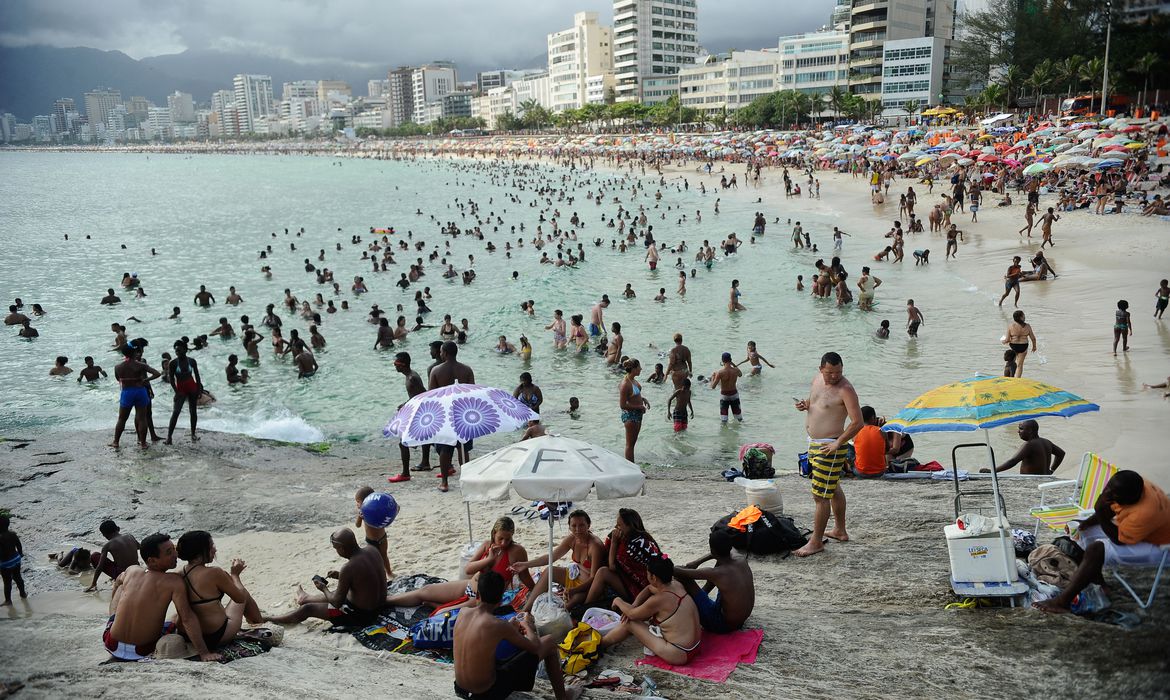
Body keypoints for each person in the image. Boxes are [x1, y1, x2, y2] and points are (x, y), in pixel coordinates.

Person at [1035, 470, 1170, 613]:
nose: (1108, 495)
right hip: (1143, 531)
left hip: (1159, 547)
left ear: (1129, 499)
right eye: (1107, 489)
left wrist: (1099, 512)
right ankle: (1099, 583)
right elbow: (1110, 507)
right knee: (1082, 530)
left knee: (1096, 550)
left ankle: (1062, 602)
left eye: (1113, 495)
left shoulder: (1143, 512)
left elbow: (1118, 540)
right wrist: (1085, 523)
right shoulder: (1133, 486)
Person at [452, 570, 583, 700]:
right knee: (549, 642)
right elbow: (535, 647)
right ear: (501, 599)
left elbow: (484, 636)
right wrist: (527, 625)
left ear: (478, 595)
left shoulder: (463, 613)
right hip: (484, 695)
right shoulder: (498, 625)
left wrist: (510, 627)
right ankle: (563, 697)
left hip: (460, 688)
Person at [102, 533, 220, 661]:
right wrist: (204, 653)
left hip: (111, 644)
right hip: (142, 650)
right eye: (169, 552)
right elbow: (187, 618)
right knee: (177, 617)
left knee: (121, 586)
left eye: (174, 549)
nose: (175, 555)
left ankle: (114, 619)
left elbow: (117, 582)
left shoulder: (132, 570)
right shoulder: (173, 581)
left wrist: (114, 615)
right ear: (152, 560)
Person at [793, 352, 864, 557]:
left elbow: (857, 421)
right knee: (831, 487)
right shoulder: (816, 380)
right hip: (814, 443)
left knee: (820, 495)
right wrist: (805, 405)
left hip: (830, 446)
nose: (834, 376)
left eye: (839, 372)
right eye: (830, 372)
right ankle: (840, 530)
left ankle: (816, 542)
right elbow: (815, 402)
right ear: (820, 369)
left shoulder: (846, 389)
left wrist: (838, 443)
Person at [386, 517, 535, 611]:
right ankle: (384, 601)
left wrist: (536, 591)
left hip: (483, 600)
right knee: (426, 589)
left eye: (508, 539)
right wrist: (489, 559)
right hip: (469, 586)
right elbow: (469, 569)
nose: (504, 543)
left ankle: (440, 606)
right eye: (500, 538)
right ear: (494, 533)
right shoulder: (486, 545)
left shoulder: (517, 551)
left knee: (445, 612)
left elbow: (526, 577)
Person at [264, 529, 387, 626]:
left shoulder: (348, 567)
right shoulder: (372, 550)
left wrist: (323, 588)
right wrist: (340, 576)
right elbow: (365, 577)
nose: (336, 551)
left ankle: (271, 619)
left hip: (361, 615)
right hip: (379, 606)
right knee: (340, 591)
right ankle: (306, 597)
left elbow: (337, 602)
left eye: (336, 548)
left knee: (308, 609)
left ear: (342, 548)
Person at [599, 556, 701, 666]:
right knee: (633, 617)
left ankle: (600, 645)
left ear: (653, 577)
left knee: (629, 623)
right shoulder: (677, 585)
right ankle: (602, 642)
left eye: (648, 573)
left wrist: (618, 600)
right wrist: (634, 605)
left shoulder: (659, 600)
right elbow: (649, 588)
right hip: (695, 646)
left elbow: (632, 615)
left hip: (678, 653)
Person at [175, 531, 264, 650]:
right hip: (215, 636)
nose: (215, 550)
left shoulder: (178, 575)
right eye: (211, 546)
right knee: (243, 592)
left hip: (186, 635)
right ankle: (259, 624)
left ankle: (258, 621)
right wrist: (235, 575)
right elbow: (239, 598)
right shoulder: (214, 573)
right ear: (201, 551)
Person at [511, 510, 605, 613]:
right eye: (574, 526)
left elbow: (594, 578)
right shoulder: (572, 539)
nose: (578, 529)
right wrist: (525, 565)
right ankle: (525, 610)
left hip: (587, 587)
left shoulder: (595, 546)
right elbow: (551, 557)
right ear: (569, 527)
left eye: (582, 525)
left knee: (567, 607)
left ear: (589, 525)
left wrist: (574, 590)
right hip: (573, 578)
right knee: (549, 570)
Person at [673, 528, 755, 632]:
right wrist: (697, 562)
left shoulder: (716, 573)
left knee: (684, 579)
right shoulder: (741, 559)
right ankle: (703, 596)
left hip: (724, 625)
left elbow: (677, 572)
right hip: (740, 620)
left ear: (712, 550)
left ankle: (687, 608)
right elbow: (725, 551)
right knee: (721, 562)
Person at [581, 509, 664, 607]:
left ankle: (585, 606)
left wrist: (614, 543)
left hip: (640, 590)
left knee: (603, 572)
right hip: (649, 584)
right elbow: (663, 556)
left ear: (629, 526)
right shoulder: (646, 537)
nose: (616, 527)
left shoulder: (628, 545)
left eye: (619, 525)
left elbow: (612, 566)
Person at [429, 341, 476, 492]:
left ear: (446, 353)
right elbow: (472, 393)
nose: (440, 354)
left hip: (445, 413)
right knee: (463, 449)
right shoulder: (466, 370)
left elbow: (432, 396)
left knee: (444, 449)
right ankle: (467, 480)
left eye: (441, 352)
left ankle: (444, 482)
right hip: (462, 413)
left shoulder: (436, 371)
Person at [110, 341, 162, 449]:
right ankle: (143, 443)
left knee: (122, 419)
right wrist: (146, 379)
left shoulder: (118, 367)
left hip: (127, 392)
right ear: (133, 353)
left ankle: (116, 442)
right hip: (140, 391)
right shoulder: (141, 365)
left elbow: (118, 379)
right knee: (142, 418)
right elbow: (157, 373)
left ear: (124, 354)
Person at [390, 352, 426, 483]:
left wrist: (408, 406)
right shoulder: (410, 376)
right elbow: (415, 396)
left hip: (419, 411)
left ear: (403, 364)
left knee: (403, 442)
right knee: (428, 439)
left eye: (396, 364)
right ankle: (426, 462)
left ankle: (405, 473)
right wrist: (405, 404)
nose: (394, 366)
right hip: (418, 410)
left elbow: (423, 394)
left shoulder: (412, 378)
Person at [980, 420, 1066, 475]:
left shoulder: (1029, 444)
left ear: (1030, 431)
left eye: (1021, 429)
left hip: (1032, 481)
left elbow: (1012, 461)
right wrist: (1052, 470)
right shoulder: (1046, 442)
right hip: (1046, 478)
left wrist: (992, 471)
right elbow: (1061, 453)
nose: (1018, 431)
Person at [86, 520, 140, 592]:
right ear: (118, 528)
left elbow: (100, 566)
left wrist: (93, 583)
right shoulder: (130, 536)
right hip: (137, 570)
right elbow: (140, 547)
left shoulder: (108, 545)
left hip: (122, 574)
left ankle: (115, 577)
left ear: (104, 535)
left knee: (94, 556)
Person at [165, 341, 202, 444]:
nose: (178, 352)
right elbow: (171, 379)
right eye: (176, 350)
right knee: (176, 412)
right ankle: (169, 437)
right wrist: (176, 392)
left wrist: (199, 390)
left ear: (185, 350)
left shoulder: (192, 361)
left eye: (180, 350)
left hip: (192, 387)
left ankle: (193, 434)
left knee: (193, 411)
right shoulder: (173, 363)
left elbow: (197, 376)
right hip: (180, 389)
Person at [354, 487, 394, 578]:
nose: (357, 504)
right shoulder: (362, 512)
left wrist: (394, 507)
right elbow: (357, 525)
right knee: (373, 560)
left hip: (382, 538)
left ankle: (389, 572)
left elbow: (395, 509)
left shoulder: (378, 509)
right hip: (370, 541)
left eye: (358, 501)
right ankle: (380, 575)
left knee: (384, 556)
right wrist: (359, 517)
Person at [618, 359, 648, 462]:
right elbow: (622, 405)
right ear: (634, 369)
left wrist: (643, 399)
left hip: (637, 415)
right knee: (630, 445)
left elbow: (633, 396)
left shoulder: (633, 380)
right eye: (639, 367)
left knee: (633, 443)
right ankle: (631, 468)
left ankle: (632, 466)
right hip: (630, 416)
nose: (641, 369)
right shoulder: (625, 384)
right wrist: (639, 407)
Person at [852, 406, 887, 478]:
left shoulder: (856, 431)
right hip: (880, 472)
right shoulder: (881, 431)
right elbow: (887, 450)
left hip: (860, 472)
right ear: (872, 418)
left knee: (850, 448)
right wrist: (881, 427)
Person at [709, 352, 743, 423]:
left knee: (724, 420)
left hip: (724, 395)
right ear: (730, 360)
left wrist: (712, 377)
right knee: (739, 419)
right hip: (734, 394)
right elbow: (740, 374)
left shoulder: (720, 372)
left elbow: (713, 386)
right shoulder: (736, 370)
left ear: (722, 360)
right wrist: (733, 364)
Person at [1002, 310, 1038, 377]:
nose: (1024, 316)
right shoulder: (1028, 326)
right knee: (1020, 365)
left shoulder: (1011, 326)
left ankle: (1008, 376)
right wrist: (1034, 346)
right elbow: (1033, 338)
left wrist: (1003, 341)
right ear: (1021, 317)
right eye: (1023, 315)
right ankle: (1017, 380)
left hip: (1013, 346)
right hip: (1023, 347)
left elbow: (1007, 340)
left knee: (1010, 362)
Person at [0, 515, 26, 605]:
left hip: (5, 563)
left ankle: (8, 600)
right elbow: (19, 545)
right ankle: (23, 594)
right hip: (16, 559)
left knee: (7, 582)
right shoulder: (13, 534)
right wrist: (20, 553)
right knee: (18, 577)